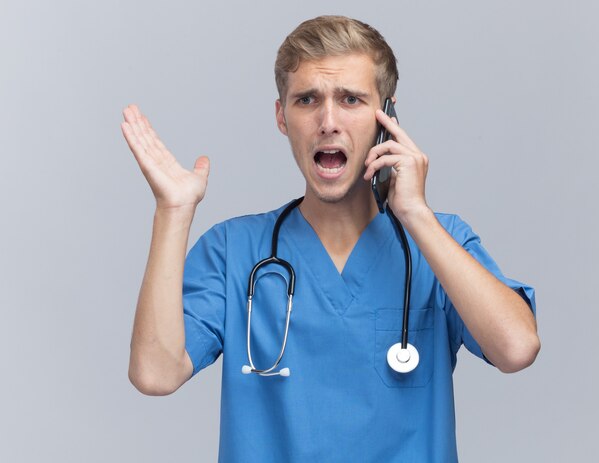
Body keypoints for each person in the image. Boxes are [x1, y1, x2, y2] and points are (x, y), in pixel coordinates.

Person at [122, 15, 540, 462]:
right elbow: (155, 373)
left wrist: (415, 213)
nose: (328, 121)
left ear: (388, 115)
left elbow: (516, 348)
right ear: (282, 116)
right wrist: (173, 212)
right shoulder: (234, 251)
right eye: (307, 100)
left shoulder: (440, 243)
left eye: (351, 100)